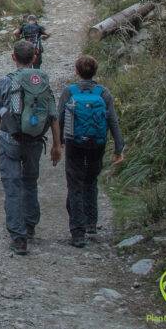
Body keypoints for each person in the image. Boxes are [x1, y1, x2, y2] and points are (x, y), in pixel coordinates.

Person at [0, 40, 62, 255]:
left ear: (13, 57)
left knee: (12, 187)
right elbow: (52, 115)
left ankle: (19, 238)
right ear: (34, 57)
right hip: (34, 141)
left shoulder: (5, 82)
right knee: (30, 183)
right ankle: (30, 225)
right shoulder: (42, 82)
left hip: (10, 141)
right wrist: (57, 145)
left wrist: (1, 134)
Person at [59, 55, 125, 248]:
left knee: (74, 184)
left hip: (74, 144)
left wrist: (59, 141)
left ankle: (77, 233)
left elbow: (60, 117)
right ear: (95, 71)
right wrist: (119, 148)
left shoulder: (69, 92)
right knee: (91, 181)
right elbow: (113, 121)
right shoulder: (103, 93)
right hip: (97, 143)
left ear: (76, 71)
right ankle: (91, 224)